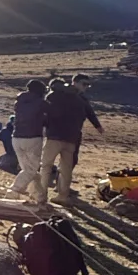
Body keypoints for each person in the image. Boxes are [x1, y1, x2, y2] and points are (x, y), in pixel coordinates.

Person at [40, 75, 103, 204]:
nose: (86, 87)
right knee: (66, 169)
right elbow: (88, 113)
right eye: (84, 84)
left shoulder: (54, 96)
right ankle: (63, 196)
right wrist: (97, 126)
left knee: (46, 166)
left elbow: (46, 113)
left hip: (54, 136)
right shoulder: (80, 100)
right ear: (74, 83)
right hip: (72, 138)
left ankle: (41, 195)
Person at [9, 78, 47, 201]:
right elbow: (51, 116)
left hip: (16, 137)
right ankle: (14, 190)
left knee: (28, 169)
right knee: (30, 170)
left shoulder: (19, 101)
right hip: (32, 138)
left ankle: (38, 195)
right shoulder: (41, 102)